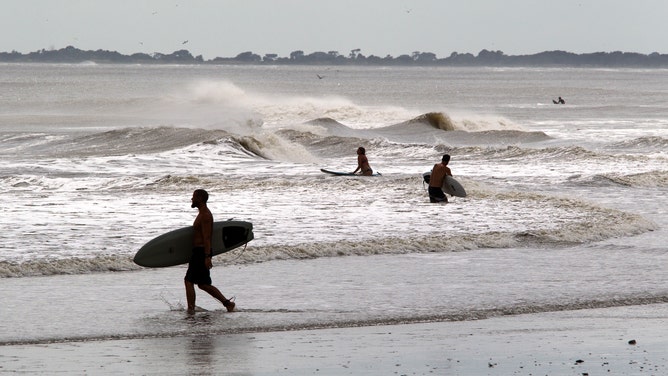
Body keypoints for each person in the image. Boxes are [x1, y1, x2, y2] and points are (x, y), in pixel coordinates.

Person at [184, 189, 235, 314]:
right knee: (203, 284)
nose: (192, 199)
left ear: (200, 198)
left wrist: (207, 256)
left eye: (194, 197)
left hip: (201, 252)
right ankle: (228, 304)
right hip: (200, 252)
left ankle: (191, 309)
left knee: (189, 281)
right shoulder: (202, 214)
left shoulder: (205, 215)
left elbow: (207, 237)